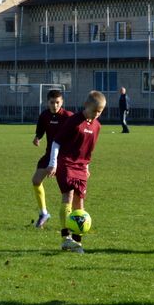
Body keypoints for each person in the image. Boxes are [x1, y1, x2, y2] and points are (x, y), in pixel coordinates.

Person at [46, 90, 106, 253]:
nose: (96, 115)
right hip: (65, 163)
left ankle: (77, 241)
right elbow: (56, 142)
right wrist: (53, 164)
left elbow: (88, 150)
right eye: (94, 111)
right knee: (68, 196)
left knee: (80, 203)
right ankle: (66, 238)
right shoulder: (74, 121)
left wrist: (87, 166)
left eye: (99, 112)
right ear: (86, 106)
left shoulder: (97, 126)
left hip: (81, 166)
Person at [31, 88, 72, 228]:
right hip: (49, 154)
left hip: (65, 157)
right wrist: (37, 137)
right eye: (52, 102)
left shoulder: (68, 117)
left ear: (62, 102)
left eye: (57, 102)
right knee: (36, 180)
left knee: (68, 190)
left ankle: (73, 219)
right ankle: (44, 213)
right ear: (47, 102)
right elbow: (41, 129)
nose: (55, 105)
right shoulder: (44, 116)